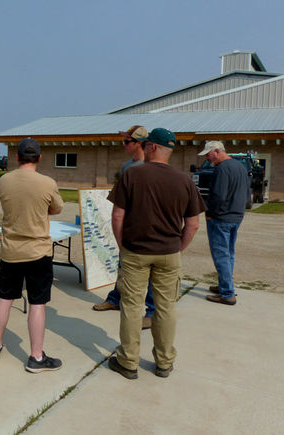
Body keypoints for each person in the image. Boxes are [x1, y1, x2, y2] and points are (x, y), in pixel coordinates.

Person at [106, 128, 205, 380]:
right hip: (168, 253)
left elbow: (118, 216)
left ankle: (128, 361)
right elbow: (192, 224)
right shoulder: (184, 180)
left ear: (151, 147)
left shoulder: (132, 175)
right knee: (166, 307)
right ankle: (164, 361)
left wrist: (122, 245)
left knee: (131, 305)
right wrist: (179, 247)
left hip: (135, 252)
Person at [0, 137, 64, 373]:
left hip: (11, 250)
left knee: (4, 298)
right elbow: (57, 207)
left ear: (17, 157)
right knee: (37, 304)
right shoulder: (47, 183)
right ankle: (36, 357)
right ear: (39, 158)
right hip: (38, 251)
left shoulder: (4, 181)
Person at [92, 125, 156, 329]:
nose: (124, 145)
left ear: (139, 143)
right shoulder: (127, 166)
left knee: (150, 271)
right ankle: (115, 299)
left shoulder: (151, 166)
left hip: (146, 226)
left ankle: (152, 310)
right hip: (128, 225)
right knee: (122, 265)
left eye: (127, 141)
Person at [198, 141, 251, 306]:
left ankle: (227, 293)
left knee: (220, 255)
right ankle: (225, 285)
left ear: (217, 151)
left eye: (208, 154)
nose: (207, 157)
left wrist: (209, 213)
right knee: (229, 254)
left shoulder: (221, 169)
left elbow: (218, 195)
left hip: (221, 218)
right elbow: (247, 193)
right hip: (236, 216)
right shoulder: (240, 167)